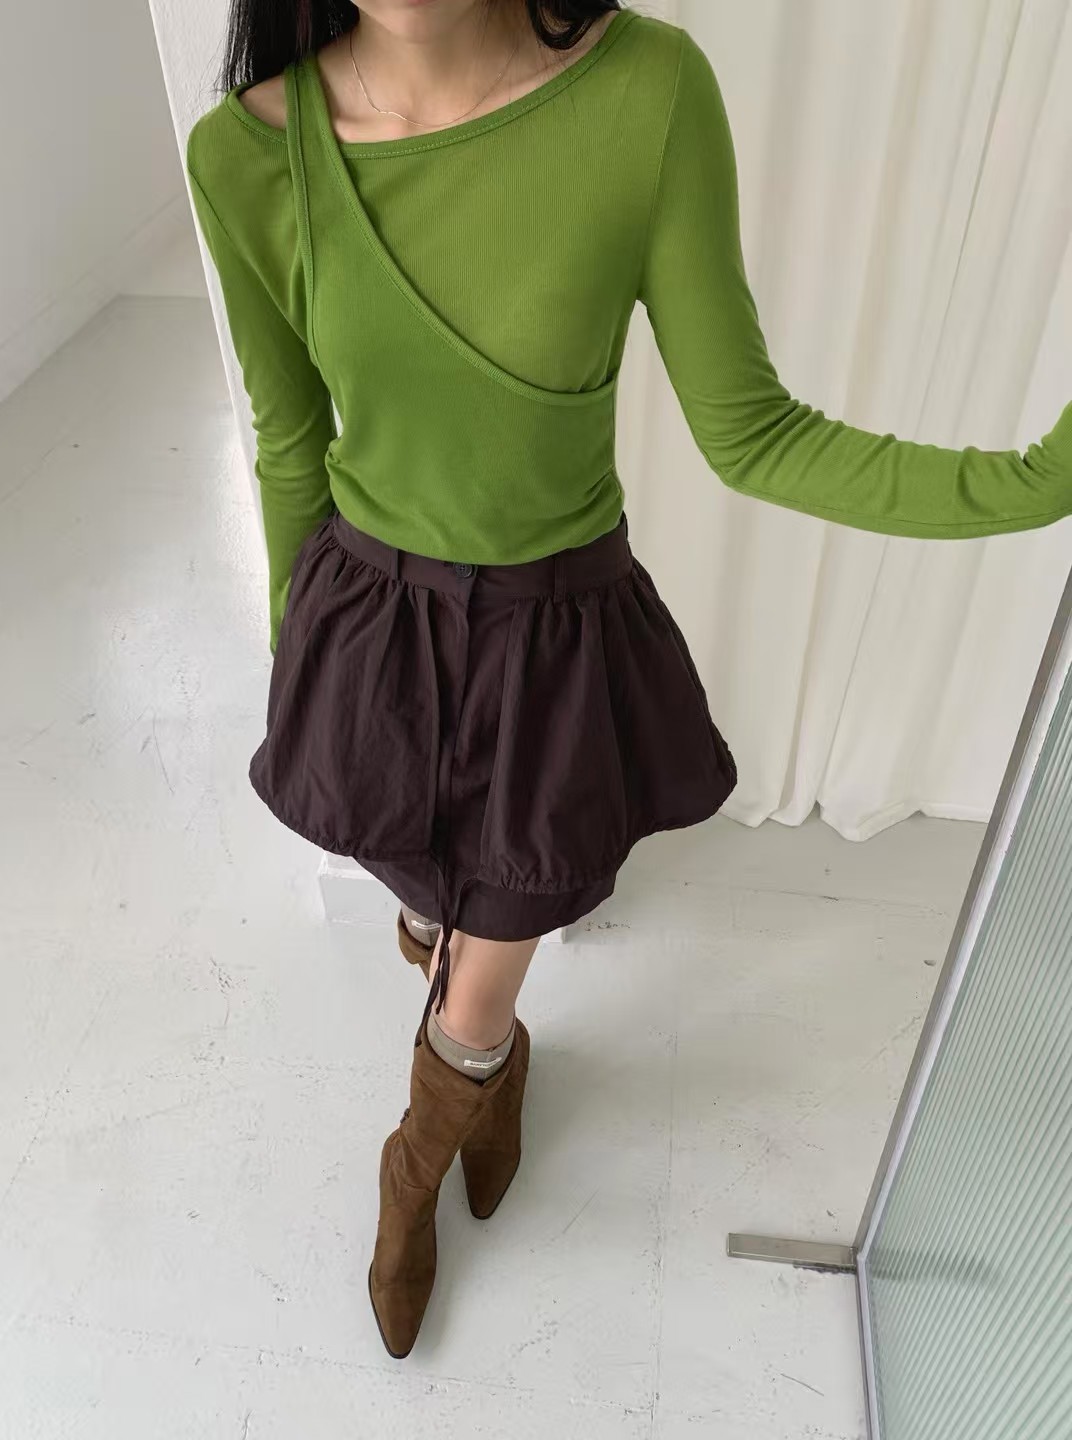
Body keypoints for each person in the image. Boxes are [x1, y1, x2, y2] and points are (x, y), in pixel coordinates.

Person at [185, 0, 1072, 1359]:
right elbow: (290, 439)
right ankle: (490, 1064)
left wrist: (1031, 486)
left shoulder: (644, 90)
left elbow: (752, 433)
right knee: (429, 899)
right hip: (372, 625)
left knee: (490, 949)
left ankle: (411, 1169)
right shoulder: (243, 152)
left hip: (551, 637)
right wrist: (294, 658)